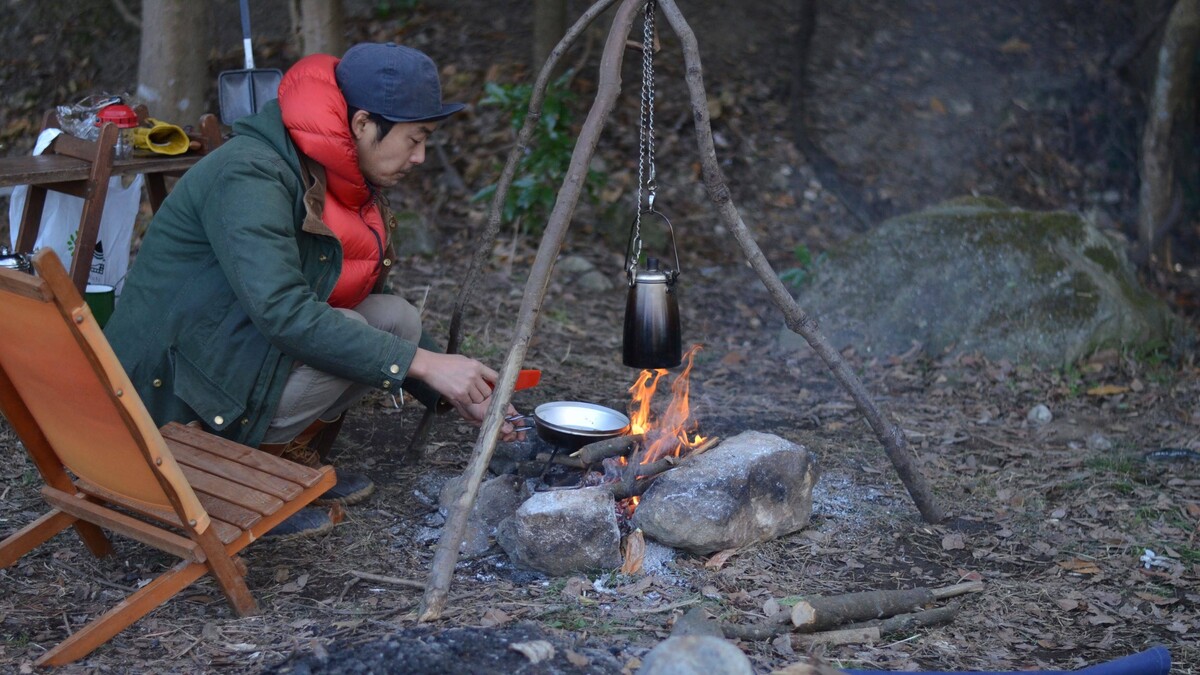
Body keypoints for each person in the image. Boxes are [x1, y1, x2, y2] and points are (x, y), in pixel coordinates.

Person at [105, 42, 522, 538]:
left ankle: (281, 460)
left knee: (395, 319)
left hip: (221, 344)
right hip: (165, 394)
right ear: (363, 123)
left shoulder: (325, 170)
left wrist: (447, 389)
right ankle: (245, 476)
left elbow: (327, 297)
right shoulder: (253, 172)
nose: (420, 156)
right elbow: (284, 311)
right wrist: (428, 364)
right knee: (353, 328)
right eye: (415, 139)